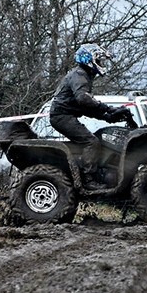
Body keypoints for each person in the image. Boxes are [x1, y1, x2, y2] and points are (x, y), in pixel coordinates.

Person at [49, 43, 132, 189]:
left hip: (65, 115)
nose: (100, 64)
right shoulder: (80, 75)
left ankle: (93, 173)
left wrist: (109, 116)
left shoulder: (83, 75)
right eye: (98, 61)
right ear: (89, 59)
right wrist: (107, 109)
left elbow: (85, 107)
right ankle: (89, 180)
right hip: (61, 116)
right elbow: (83, 99)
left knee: (94, 139)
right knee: (91, 142)